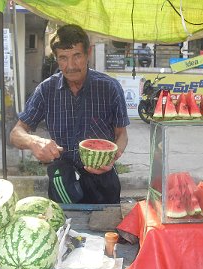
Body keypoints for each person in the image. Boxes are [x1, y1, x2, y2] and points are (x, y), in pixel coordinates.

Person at [10, 24, 129, 204]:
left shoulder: (110, 87)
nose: (71, 66)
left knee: (107, 230)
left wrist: (113, 156)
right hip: (63, 180)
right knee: (65, 226)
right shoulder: (46, 90)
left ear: (88, 53)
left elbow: (122, 134)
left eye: (77, 56)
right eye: (63, 58)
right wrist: (33, 142)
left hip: (103, 178)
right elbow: (15, 134)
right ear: (56, 58)